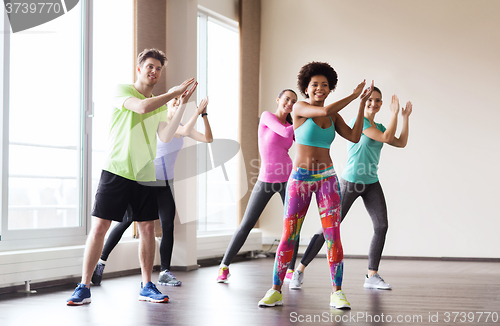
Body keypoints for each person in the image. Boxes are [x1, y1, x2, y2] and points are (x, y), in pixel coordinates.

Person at [66, 48, 195, 305]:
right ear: (139, 68)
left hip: (145, 174)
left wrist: (180, 106)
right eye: (150, 66)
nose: (154, 72)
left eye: (158, 68)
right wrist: (175, 93)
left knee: (147, 228)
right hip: (116, 170)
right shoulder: (123, 91)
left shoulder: (160, 104)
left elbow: (166, 136)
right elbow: (143, 107)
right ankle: (84, 286)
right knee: (100, 227)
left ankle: (147, 285)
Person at [258, 61, 373, 309]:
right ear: (306, 88)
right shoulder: (300, 107)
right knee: (290, 234)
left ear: (330, 88)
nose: (319, 88)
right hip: (300, 179)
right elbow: (321, 112)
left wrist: (362, 102)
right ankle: (275, 290)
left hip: (327, 179)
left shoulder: (333, 114)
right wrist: (353, 95)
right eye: (314, 85)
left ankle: (337, 292)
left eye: (324, 85)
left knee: (333, 235)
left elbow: (354, 136)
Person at [287, 87, 412, 291]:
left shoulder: (378, 125)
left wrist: (404, 117)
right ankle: (299, 270)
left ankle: (372, 275)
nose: (374, 103)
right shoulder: (359, 122)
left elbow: (400, 142)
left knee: (381, 226)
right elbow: (388, 138)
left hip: (371, 181)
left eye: (378, 101)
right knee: (329, 228)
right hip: (351, 182)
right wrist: (394, 113)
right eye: (370, 100)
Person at [90, 90, 213, 287]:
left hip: (165, 184)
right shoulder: (160, 124)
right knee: (125, 222)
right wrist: (195, 112)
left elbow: (208, 138)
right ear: (166, 105)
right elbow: (179, 132)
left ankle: (165, 271)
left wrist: (204, 115)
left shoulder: (183, 126)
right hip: (147, 181)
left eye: (178, 102)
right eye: (173, 102)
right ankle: (101, 263)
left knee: (168, 225)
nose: (175, 104)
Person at [216, 89, 298, 283]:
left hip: (288, 178)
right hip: (266, 179)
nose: (290, 103)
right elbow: (285, 132)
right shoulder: (268, 117)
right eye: (287, 99)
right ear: (278, 99)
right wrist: (304, 118)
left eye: (294, 101)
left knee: (293, 225)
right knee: (246, 224)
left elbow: (302, 142)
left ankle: (291, 271)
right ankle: (224, 266)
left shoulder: (291, 124)